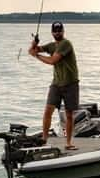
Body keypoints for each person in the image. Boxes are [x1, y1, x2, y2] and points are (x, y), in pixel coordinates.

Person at [28, 21, 80, 151]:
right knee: (48, 111)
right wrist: (34, 44)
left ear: (63, 31)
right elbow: (31, 51)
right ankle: (44, 140)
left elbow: (52, 61)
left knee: (69, 114)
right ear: (52, 32)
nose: (57, 33)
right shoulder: (52, 45)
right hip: (56, 84)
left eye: (59, 30)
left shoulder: (66, 44)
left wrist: (37, 55)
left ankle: (68, 142)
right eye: (55, 31)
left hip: (70, 84)